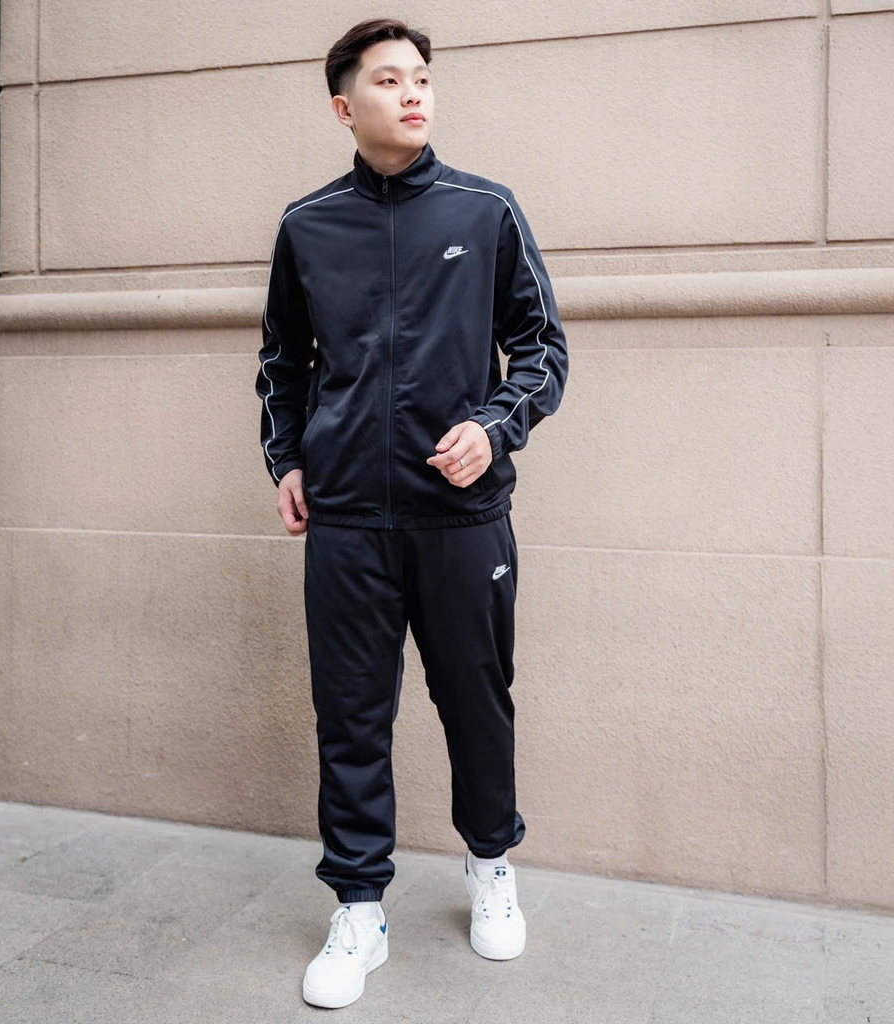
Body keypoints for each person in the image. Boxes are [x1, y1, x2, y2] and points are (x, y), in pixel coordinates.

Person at [255, 17, 568, 1009]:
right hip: (347, 519)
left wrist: (494, 426)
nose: (413, 93)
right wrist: (286, 459)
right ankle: (359, 909)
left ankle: (490, 864)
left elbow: (543, 351)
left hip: (461, 517)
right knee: (350, 717)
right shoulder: (308, 226)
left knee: (477, 702)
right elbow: (282, 364)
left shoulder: (485, 210)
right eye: (389, 80)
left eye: (422, 78)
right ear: (344, 105)